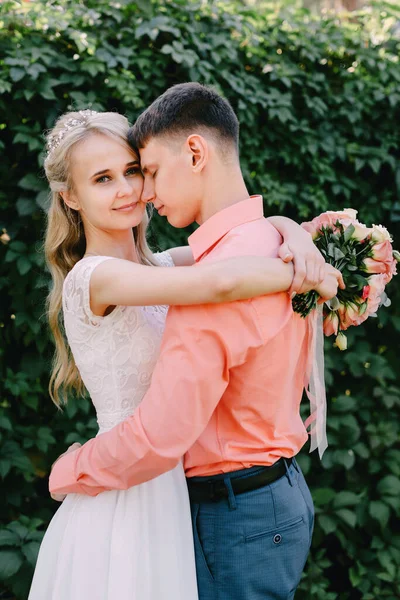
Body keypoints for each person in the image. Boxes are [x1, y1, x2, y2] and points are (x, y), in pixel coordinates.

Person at [29, 105, 340, 600]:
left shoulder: (158, 265)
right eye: (103, 179)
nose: (130, 189)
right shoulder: (96, 277)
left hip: (173, 489)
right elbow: (223, 280)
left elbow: (240, 241)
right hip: (127, 488)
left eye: (134, 171)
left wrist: (293, 231)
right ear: (71, 196)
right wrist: (307, 275)